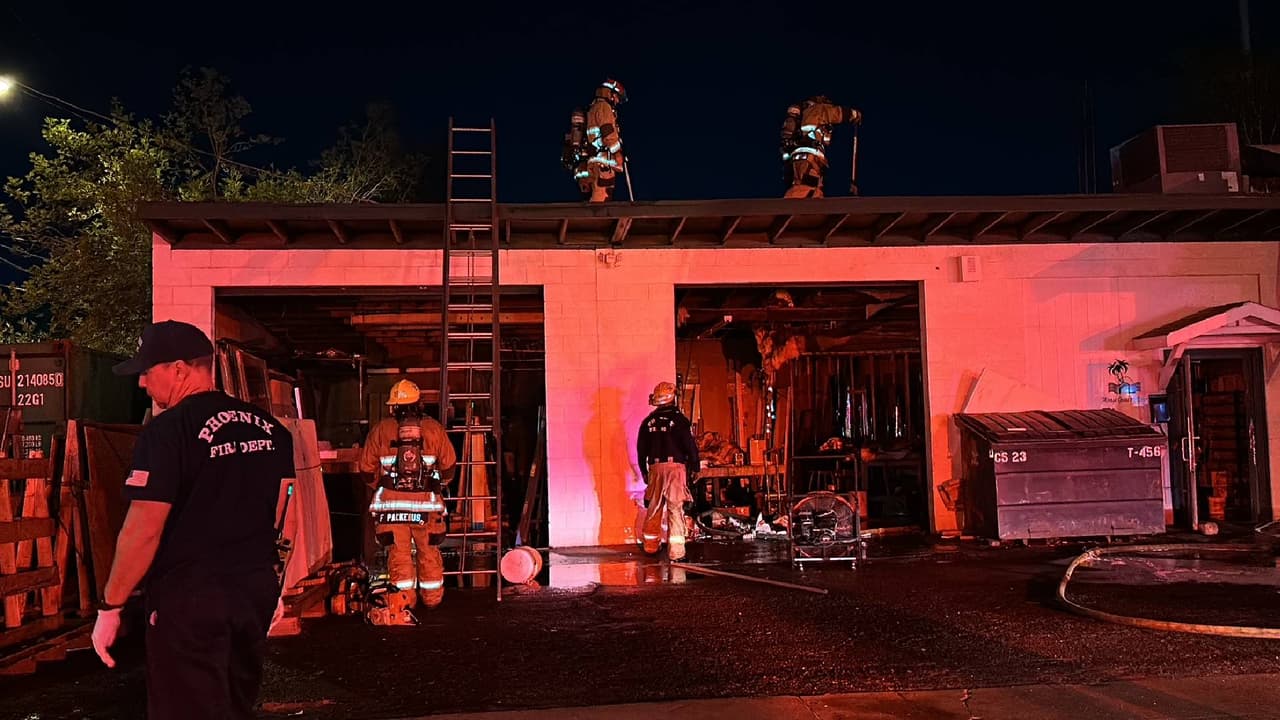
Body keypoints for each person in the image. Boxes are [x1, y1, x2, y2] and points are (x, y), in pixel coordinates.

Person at [91, 320, 296, 720]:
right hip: (253, 591)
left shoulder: (167, 432)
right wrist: (277, 586)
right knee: (236, 705)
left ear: (180, 369)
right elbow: (286, 512)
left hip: (191, 599)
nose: (142, 385)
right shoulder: (273, 430)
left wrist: (110, 606)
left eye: (147, 373)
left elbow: (143, 529)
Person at [358, 379, 456, 623]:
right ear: (419, 404)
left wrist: (386, 487)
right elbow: (449, 466)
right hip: (427, 509)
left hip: (392, 509)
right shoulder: (434, 429)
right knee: (429, 552)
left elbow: (366, 469)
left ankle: (404, 602)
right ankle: (432, 601)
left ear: (394, 407)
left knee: (399, 555)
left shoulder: (380, 430)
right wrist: (433, 486)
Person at [636, 381, 699, 561]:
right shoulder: (680, 421)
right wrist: (694, 467)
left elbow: (641, 450)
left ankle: (650, 546)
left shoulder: (648, 422)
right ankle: (677, 553)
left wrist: (644, 471)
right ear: (672, 397)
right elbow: (690, 446)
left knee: (654, 507)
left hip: (655, 468)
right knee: (675, 508)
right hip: (675, 469)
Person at [780, 96, 862, 198]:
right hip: (810, 158)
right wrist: (853, 114)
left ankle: (804, 209)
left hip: (801, 159)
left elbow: (825, 141)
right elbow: (836, 113)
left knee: (808, 187)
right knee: (806, 188)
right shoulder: (816, 110)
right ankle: (797, 210)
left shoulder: (805, 116)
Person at [566, 78, 627, 202]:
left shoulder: (593, 108)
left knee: (593, 201)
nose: (616, 101)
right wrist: (618, 152)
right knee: (601, 204)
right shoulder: (604, 107)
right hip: (603, 164)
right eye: (616, 97)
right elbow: (608, 133)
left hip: (593, 164)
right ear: (610, 93)